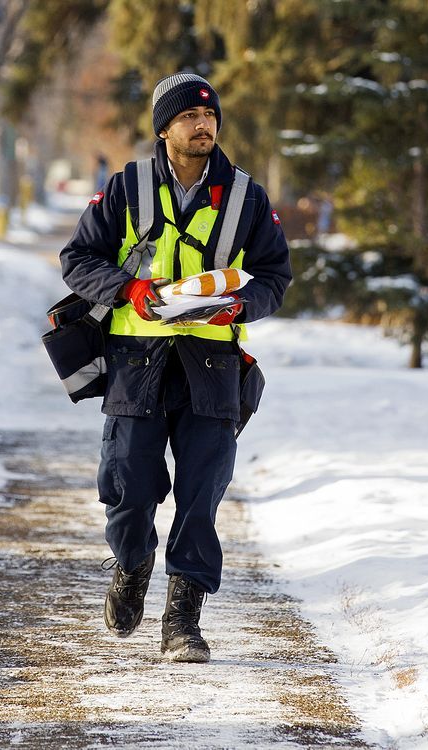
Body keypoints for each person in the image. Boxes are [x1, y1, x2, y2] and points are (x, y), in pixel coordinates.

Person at [58, 72, 291, 663]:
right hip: (136, 363)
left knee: (200, 495)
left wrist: (241, 303)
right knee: (130, 489)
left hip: (212, 366)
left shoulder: (246, 197)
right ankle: (132, 565)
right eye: (189, 116)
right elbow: (78, 259)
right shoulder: (126, 186)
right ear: (165, 127)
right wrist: (128, 290)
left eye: (209, 117)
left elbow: (274, 278)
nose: (202, 125)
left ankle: (182, 619)